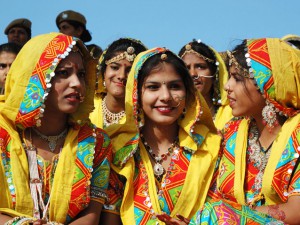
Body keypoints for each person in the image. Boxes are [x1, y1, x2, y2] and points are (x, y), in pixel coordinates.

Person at [159, 38, 300, 224]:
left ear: (266, 83)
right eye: (230, 77)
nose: (227, 86)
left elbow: (296, 211)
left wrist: (225, 216)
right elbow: (213, 197)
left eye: (238, 79)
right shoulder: (231, 133)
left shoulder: (296, 134)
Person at [0, 33, 112, 225]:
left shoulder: (96, 142)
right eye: (63, 73)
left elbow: (91, 216)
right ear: (34, 77)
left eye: (81, 75)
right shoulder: (3, 135)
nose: (77, 83)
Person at [100, 47, 221, 225]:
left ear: (188, 94)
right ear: (136, 94)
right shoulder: (118, 150)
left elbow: (221, 212)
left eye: (175, 86)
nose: (165, 96)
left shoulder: (210, 148)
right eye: (153, 87)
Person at [89, 37, 147, 129]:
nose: (122, 76)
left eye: (130, 71)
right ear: (104, 72)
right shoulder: (86, 108)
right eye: (115, 68)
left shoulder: (145, 118)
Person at [178, 39, 232, 130]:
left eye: (200, 67)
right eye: (186, 68)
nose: (193, 74)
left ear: (215, 74)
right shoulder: (173, 118)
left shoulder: (232, 115)